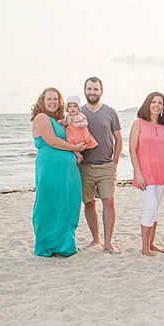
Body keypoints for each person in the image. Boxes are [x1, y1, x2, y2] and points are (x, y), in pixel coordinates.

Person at [30, 87, 86, 257]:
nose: (53, 102)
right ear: (42, 101)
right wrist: (75, 147)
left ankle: (64, 244)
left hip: (66, 171)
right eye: (49, 99)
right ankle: (46, 244)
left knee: (67, 204)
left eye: (56, 99)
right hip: (50, 169)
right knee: (49, 203)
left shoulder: (58, 121)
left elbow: (67, 137)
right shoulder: (41, 118)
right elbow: (52, 141)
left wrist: (75, 152)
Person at [79, 76, 123, 254]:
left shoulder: (110, 112)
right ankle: (95, 238)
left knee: (109, 202)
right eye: (89, 89)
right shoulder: (78, 113)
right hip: (84, 167)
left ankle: (108, 242)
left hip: (106, 165)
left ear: (101, 91)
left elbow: (119, 139)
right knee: (89, 204)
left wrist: (115, 162)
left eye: (95, 89)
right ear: (85, 90)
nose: (92, 92)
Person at [129, 92, 164, 257]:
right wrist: (138, 173)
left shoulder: (163, 126)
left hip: (161, 173)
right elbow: (132, 150)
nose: (157, 105)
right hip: (145, 174)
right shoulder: (138, 123)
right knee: (149, 208)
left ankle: (151, 244)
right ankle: (144, 247)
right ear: (148, 104)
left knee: (155, 209)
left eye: (160, 103)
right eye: (153, 102)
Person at [60, 95, 98, 164]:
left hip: (80, 135)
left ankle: (82, 155)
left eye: (75, 106)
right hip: (71, 136)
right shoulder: (68, 116)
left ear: (78, 108)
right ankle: (79, 155)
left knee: (80, 145)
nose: (72, 108)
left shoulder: (80, 115)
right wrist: (61, 122)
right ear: (67, 109)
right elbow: (66, 123)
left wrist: (78, 125)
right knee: (71, 146)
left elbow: (85, 123)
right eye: (70, 106)